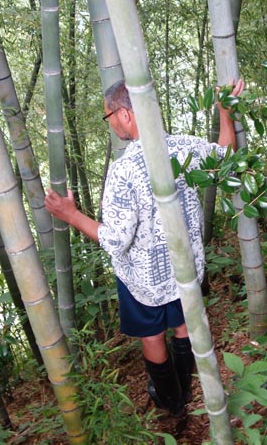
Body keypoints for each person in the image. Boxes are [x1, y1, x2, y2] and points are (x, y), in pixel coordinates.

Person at [44, 78, 244, 417]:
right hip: (186, 271)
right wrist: (225, 114)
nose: (111, 124)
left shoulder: (124, 171)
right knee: (184, 327)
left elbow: (114, 240)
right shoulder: (182, 147)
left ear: (124, 114)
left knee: (152, 337)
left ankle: (171, 401)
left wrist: (71, 214)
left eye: (108, 116)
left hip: (143, 281)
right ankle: (182, 388)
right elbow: (226, 159)